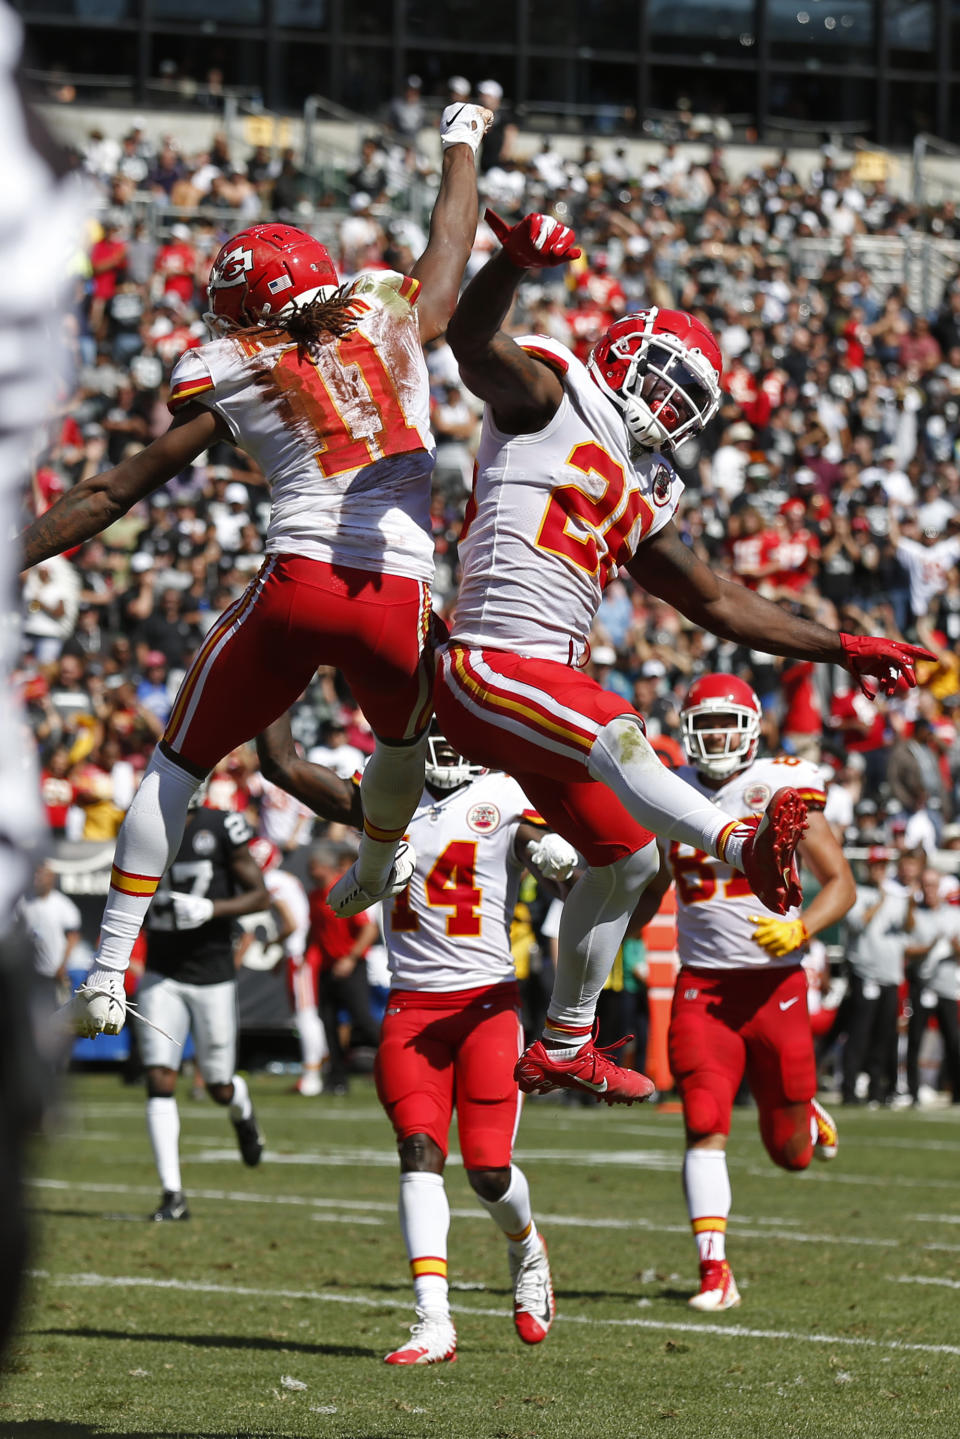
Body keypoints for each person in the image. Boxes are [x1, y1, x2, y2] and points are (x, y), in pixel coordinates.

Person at [433, 207, 932, 1105]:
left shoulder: (639, 479)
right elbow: (470, 339)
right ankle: (739, 841)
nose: (667, 403)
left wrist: (842, 645)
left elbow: (717, 601)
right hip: (489, 663)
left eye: (686, 396)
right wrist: (508, 264)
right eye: (662, 376)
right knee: (624, 735)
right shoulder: (553, 393)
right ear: (621, 355)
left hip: (541, 693)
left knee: (630, 861)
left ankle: (565, 1040)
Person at [20, 101, 495, 1042]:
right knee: (401, 750)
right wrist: (462, 140)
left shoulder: (231, 359)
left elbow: (118, 489)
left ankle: (110, 971)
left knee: (177, 763)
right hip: (396, 597)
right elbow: (450, 245)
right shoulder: (386, 312)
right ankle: (376, 856)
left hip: (297, 584)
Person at [256, 717, 577, 1365]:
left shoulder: (509, 795)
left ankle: (526, 1246)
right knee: (419, 1150)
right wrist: (372, 876)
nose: (455, 747)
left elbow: (570, 878)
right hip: (411, 1006)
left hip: (486, 1003)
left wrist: (554, 858)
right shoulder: (383, 794)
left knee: (488, 1170)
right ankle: (434, 1319)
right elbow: (342, 899)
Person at [628, 673, 855, 1311]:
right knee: (703, 1123)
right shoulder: (669, 791)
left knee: (791, 1157)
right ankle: (713, 1272)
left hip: (775, 987)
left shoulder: (779, 786)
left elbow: (840, 882)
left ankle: (803, 1113)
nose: (719, 736)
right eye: (708, 725)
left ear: (752, 729)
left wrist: (800, 926)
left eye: (730, 723)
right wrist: (607, 922)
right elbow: (651, 888)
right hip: (703, 985)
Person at [138, 792, 270, 1220]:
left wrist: (211, 907)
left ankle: (242, 1109)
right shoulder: (142, 823)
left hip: (212, 972)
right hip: (162, 971)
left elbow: (259, 896)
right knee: (159, 1076)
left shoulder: (221, 826)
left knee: (218, 1086)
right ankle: (172, 1195)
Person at [305, 842, 380, 1097]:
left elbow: (369, 929)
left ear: (325, 866)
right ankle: (337, 1079)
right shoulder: (315, 895)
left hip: (351, 965)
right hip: (327, 967)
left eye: (313, 867)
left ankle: (395, 1059)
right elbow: (315, 930)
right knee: (328, 1022)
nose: (310, 871)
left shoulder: (344, 889)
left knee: (363, 1019)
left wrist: (350, 958)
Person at [840, 847, 906, 1107]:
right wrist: (879, 900)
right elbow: (857, 924)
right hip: (865, 972)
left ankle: (878, 1090)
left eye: (883, 866)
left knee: (884, 1035)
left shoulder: (897, 895)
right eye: (875, 866)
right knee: (859, 1034)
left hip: (890, 973)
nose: (879, 871)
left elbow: (906, 927)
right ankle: (848, 1088)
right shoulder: (856, 893)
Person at [902, 868, 960, 1106]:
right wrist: (928, 949)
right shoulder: (915, 914)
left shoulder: (954, 915)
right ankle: (912, 1092)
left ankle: (957, 1092)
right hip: (921, 984)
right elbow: (905, 949)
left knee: (953, 1041)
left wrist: (954, 947)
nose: (930, 890)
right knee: (915, 1040)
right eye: (926, 885)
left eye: (934, 885)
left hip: (946, 985)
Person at [15, 860, 80, 1017]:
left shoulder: (62, 905)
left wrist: (63, 965)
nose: (39, 879)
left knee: (60, 1016)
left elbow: (73, 937)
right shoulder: (24, 902)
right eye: (37, 874)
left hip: (57, 973)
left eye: (43, 875)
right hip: (33, 973)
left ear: (52, 878)